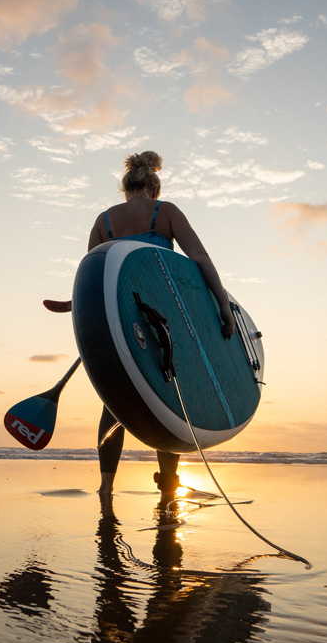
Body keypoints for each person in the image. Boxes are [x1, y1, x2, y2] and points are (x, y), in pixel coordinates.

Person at [63, 150, 236, 496]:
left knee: (114, 400)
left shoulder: (105, 221)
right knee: (165, 395)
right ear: (154, 188)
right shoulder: (165, 212)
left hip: (117, 322)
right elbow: (199, 257)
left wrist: (81, 316)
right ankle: (169, 483)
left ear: (126, 189)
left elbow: (92, 279)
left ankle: (106, 486)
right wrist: (222, 303)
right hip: (158, 318)